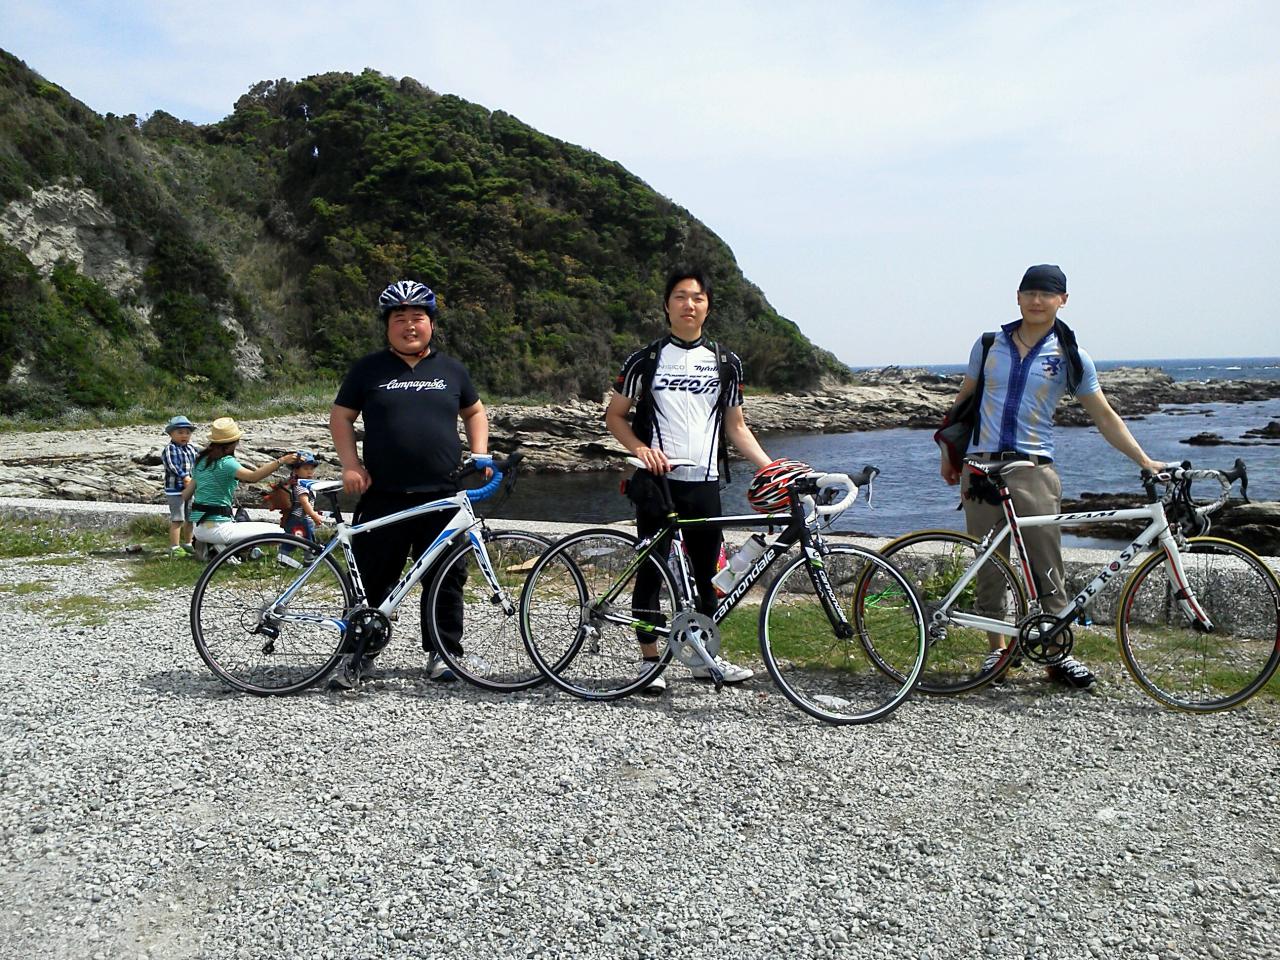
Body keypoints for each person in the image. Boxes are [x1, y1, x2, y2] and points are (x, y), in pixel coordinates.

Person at [941, 263, 1163, 688]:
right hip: (979, 466)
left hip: (1034, 469)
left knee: (1047, 567)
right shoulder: (988, 345)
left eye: (1047, 294)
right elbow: (963, 402)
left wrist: (1144, 460)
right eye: (1030, 292)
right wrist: (948, 454)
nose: (1037, 301)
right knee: (989, 564)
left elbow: (1104, 416)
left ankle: (1056, 654)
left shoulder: (1071, 356)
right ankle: (997, 653)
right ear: (1018, 297)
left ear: (1063, 300)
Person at [605, 265, 775, 693]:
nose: (689, 304)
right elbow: (615, 416)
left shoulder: (725, 362)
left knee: (706, 575)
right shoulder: (645, 360)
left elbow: (737, 426)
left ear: (708, 307)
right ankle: (650, 663)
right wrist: (640, 449)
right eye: (680, 296)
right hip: (657, 482)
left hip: (705, 481)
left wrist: (770, 467)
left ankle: (702, 657)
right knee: (652, 572)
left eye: (697, 297)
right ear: (667, 306)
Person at [329, 279, 491, 686]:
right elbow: (341, 417)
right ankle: (359, 654)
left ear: (431, 323)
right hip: (383, 493)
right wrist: (350, 465)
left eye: (417, 317)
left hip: (443, 494)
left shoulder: (452, 370)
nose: (409, 325)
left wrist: (480, 453)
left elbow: (475, 412)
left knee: (446, 578)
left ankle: (443, 652)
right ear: (387, 326)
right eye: (399, 318)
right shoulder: (368, 369)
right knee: (371, 579)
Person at [187, 417, 300, 555]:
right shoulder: (227, 463)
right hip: (218, 529)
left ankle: (213, 547)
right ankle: (224, 548)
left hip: (199, 528)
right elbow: (253, 477)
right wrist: (281, 461)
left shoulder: (201, 461)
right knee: (279, 532)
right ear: (233, 443)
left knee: (239, 520)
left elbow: (186, 494)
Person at [161, 415, 197, 558]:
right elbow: (172, 465)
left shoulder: (191, 449)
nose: (184, 436)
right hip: (175, 490)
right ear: (171, 434)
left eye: (187, 433)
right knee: (178, 518)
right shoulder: (170, 449)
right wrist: (184, 476)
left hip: (190, 489)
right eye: (180, 432)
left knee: (191, 517)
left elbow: (198, 462)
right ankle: (174, 546)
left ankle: (188, 543)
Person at [280, 452, 327, 543]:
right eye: (305, 468)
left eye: (311, 468)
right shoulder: (302, 485)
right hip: (301, 517)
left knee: (291, 539)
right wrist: (313, 515)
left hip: (295, 517)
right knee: (309, 541)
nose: (309, 471)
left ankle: (284, 550)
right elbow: (304, 502)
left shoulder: (297, 482)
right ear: (296, 471)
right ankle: (310, 551)